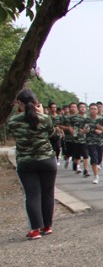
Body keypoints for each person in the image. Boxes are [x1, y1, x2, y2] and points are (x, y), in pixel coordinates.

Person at [8, 89, 57, 240]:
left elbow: (12, 134)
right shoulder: (45, 118)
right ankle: (47, 226)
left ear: (19, 104)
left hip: (26, 162)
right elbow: (51, 134)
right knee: (48, 193)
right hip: (47, 160)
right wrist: (41, 113)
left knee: (32, 195)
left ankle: (35, 229)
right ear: (36, 103)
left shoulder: (14, 121)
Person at [85, 102, 103, 184]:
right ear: (89, 110)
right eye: (91, 109)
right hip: (90, 142)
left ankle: (98, 165)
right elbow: (82, 130)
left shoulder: (101, 119)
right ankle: (96, 176)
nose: (93, 110)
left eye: (95, 109)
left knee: (99, 159)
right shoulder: (86, 120)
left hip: (100, 142)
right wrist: (86, 130)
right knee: (94, 159)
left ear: (98, 110)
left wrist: (101, 131)